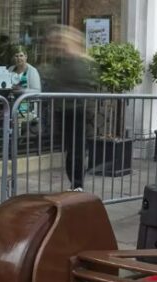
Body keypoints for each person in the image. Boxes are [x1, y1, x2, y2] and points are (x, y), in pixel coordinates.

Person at [42, 25, 96, 191]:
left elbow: (85, 85)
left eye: (59, 42)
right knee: (71, 150)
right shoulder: (62, 62)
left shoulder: (80, 62)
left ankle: (77, 184)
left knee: (76, 150)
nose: (56, 46)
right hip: (64, 111)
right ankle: (75, 184)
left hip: (76, 111)